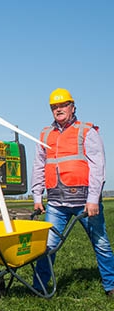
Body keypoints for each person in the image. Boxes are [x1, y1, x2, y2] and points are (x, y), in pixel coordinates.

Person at [32, 87, 114, 297]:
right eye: (54, 107)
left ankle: (110, 286)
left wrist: (94, 199)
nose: (58, 109)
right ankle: (40, 288)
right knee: (47, 247)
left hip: (85, 202)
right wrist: (37, 196)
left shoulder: (87, 131)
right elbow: (39, 166)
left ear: (72, 107)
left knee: (101, 244)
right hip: (56, 204)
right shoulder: (45, 134)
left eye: (62, 105)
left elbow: (98, 166)